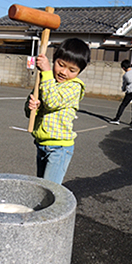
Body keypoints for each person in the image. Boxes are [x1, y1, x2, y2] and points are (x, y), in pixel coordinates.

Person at [25, 38, 90, 184]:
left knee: (50, 189)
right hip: (41, 143)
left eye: (72, 70)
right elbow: (31, 113)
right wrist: (32, 107)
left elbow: (51, 101)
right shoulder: (46, 81)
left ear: (79, 71)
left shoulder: (74, 87)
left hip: (59, 148)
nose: (64, 72)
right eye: (61, 65)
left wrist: (47, 72)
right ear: (55, 60)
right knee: (41, 186)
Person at [109, 59, 132, 127]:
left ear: (123, 68)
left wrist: (123, 89)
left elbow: (124, 85)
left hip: (131, 91)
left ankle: (117, 119)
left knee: (123, 105)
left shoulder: (125, 76)